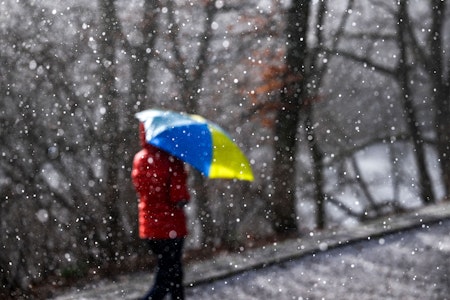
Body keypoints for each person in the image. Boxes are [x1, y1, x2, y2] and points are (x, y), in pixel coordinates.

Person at [132, 122, 190, 300]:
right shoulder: (171, 160)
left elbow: (142, 189)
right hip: (170, 228)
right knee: (167, 279)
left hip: (150, 228)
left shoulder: (140, 159)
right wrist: (182, 173)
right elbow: (179, 198)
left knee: (173, 272)